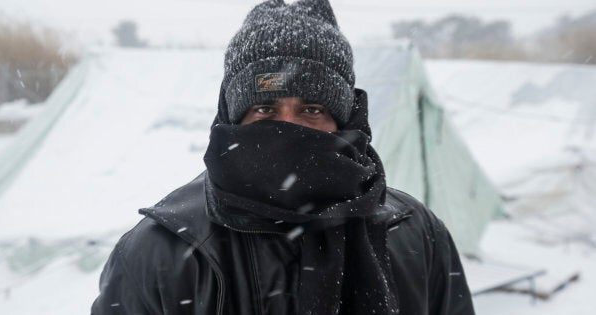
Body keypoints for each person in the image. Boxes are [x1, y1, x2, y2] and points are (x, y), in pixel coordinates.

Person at [91, 0, 475, 314]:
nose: (289, 129)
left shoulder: (412, 232)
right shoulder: (164, 252)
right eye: (265, 110)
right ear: (232, 117)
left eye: (311, 110)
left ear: (345, 121)